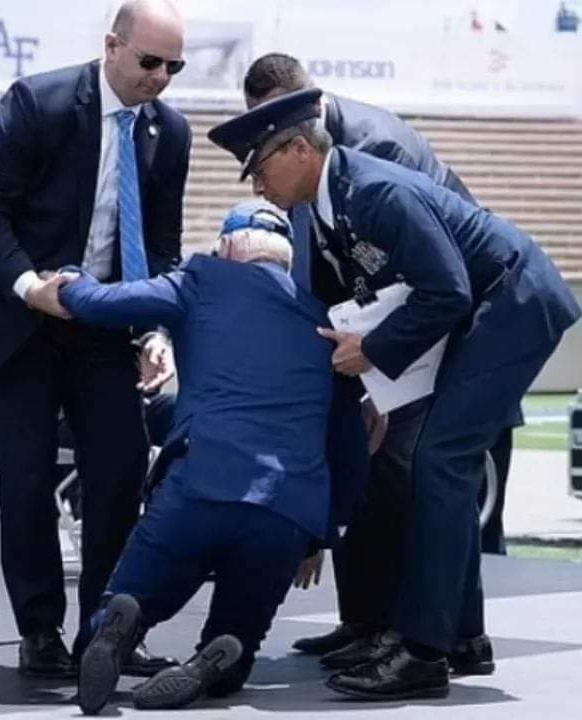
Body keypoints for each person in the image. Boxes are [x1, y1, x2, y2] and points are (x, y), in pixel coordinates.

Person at [208, 88, 580, 700]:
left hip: (512, 304)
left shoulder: (375, 191)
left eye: (260, 167)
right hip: (479, 313)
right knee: (438, 464)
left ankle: (422, 651)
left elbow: (449, 291)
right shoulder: (334, 202)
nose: (257, 186)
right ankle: (460, 638)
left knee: (440, 460)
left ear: (299, 149)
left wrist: (374, 354)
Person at [0, 0, 190, 678]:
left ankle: (104, 634)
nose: (160, 77)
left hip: (100, 322)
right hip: (18, 322)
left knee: (122, 471)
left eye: (174, 67)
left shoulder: (171, 133)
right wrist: (29, 287)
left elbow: (161, 247)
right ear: (112, 46)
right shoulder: (36, 104)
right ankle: (39, 631)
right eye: (150, 61)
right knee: (27, 480)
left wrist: (157, 327)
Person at [242, 52, 521, 669]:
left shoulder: (375, 156)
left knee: (415, 466)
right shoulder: (310, 167)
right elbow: (323, 270)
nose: (260, 154)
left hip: (444, 324)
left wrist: (374, 364)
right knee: (365, 456)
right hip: (384, 324)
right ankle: (371, 621)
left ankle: (420, 635)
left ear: (303, 120)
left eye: (270, 136)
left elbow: (416, 277)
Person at [48, 200, 354, 713]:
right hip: (286, 510)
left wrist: (69, 279)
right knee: (239, 640)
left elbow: (102, 303)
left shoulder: (201, 279)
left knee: (126, 603)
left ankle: (119, 623)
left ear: (229, 246)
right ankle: (211, 663)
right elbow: (344, 443)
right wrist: (319, 533)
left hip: (201, 482)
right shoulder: (321, 318)